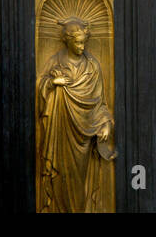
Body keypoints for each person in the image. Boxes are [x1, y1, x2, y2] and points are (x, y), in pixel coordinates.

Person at [37, 18, 116, 213]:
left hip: (86, 135)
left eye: (84, 43)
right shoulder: (55, 61)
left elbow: (101, 103)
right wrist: (52, 82)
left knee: (81, 181)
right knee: (62, 176)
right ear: (67, 40)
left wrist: (105, 123)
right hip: (61, 132)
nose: (82, 47)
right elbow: (39, 84)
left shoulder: (92, 66)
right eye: (78, 43)